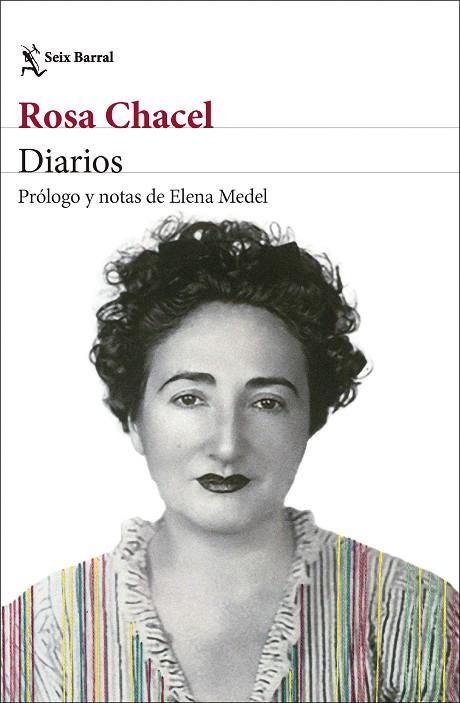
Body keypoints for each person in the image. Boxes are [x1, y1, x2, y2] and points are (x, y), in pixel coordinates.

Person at [1, 218, 458, 702]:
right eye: (189, 398)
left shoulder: (411, 613)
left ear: (310, 421)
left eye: (267, 403)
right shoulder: (42, 631)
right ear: (134, 419)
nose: (227, 445)